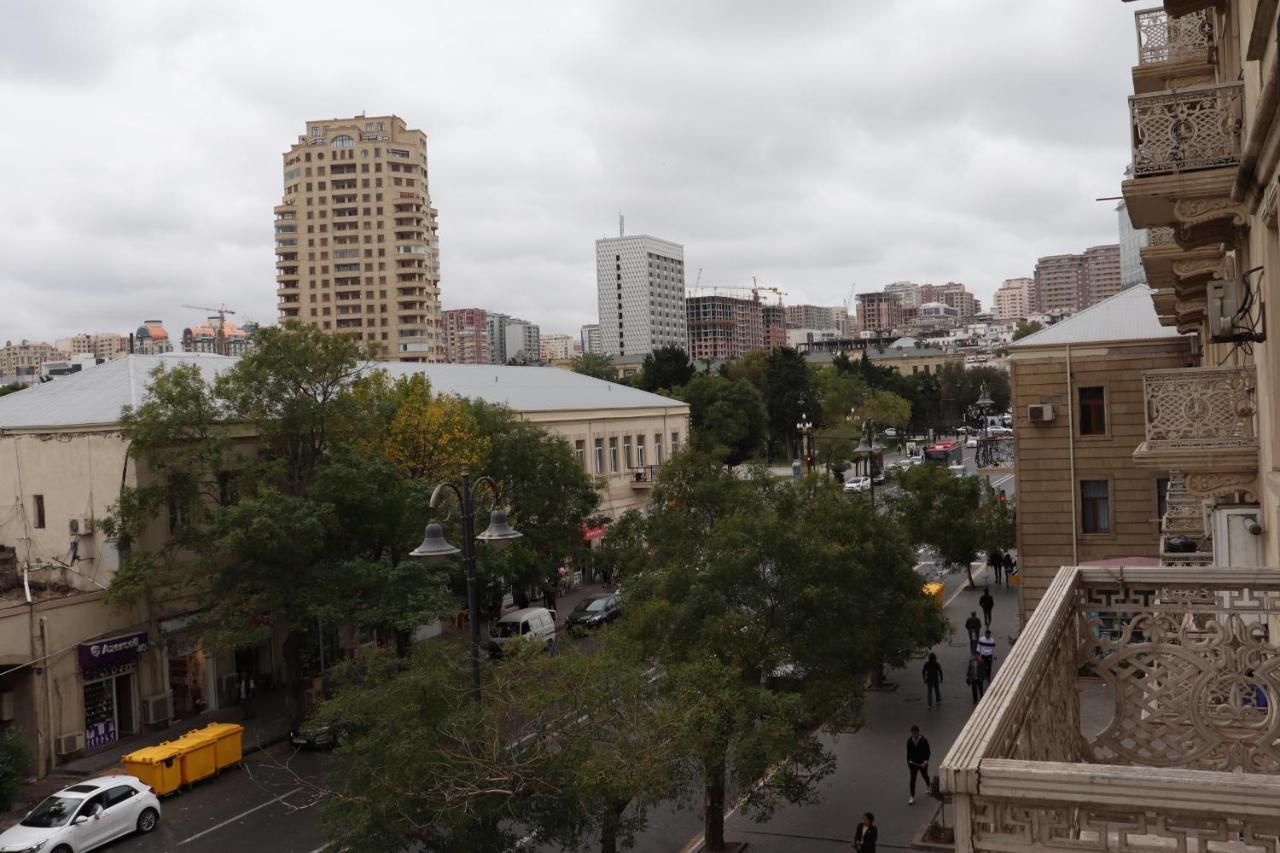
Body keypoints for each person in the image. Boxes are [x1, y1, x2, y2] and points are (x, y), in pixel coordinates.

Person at [906, 725, 931, 805]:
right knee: (912, 780)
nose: (914, 735)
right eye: (912, 734)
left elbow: (928, 752)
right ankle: (912, 796)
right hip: (913, 763)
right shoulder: (909, 741)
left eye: (915, 733)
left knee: (925, 775)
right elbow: (908, 753)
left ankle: (928, 786)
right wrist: (908, 763)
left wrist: (925, 762)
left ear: (918, 732)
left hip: (922, 763)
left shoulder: (924, 741)